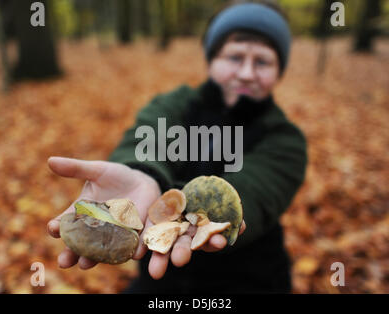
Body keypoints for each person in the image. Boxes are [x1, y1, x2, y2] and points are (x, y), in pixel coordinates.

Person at [47, 1, 307, 293]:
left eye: (262, 62)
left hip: (249, 280)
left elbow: (254, 191)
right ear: (211, 59)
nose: (246, 73)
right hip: (160, 280)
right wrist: (145, 176)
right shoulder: (174, 106)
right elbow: (144, 144)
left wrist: (186, 211)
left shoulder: (285, 139)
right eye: (234, 57)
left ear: (279, 70)